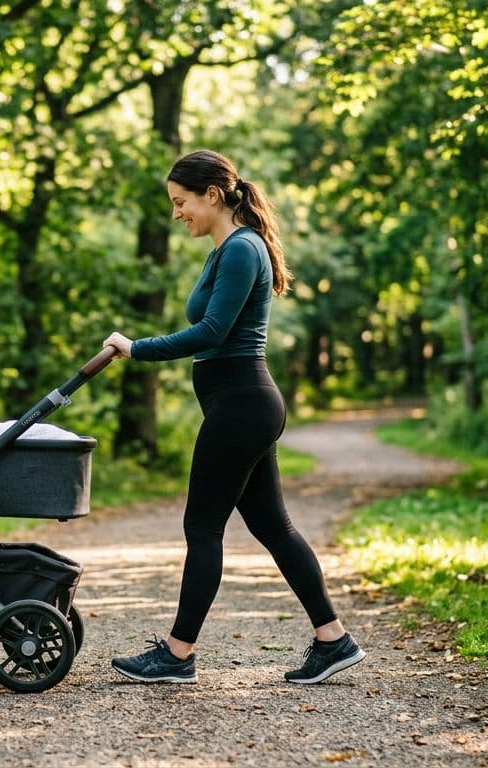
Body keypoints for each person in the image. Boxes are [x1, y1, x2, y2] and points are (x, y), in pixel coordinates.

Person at [102, 149, 365, 685]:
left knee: (202, 526)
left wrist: (137, 348)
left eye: (181, 202)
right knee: (272, 525)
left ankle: (177, 655)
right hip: (240, 404)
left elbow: (212, 332)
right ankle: (333, 638)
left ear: (212, 195)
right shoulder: (224, 249)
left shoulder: (243, 249)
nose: (178, 214)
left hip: (242, 403)